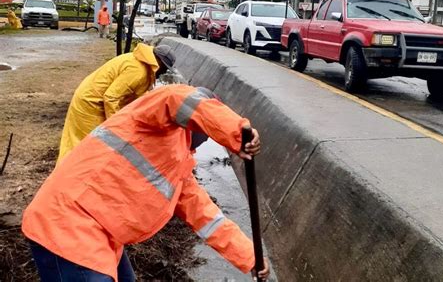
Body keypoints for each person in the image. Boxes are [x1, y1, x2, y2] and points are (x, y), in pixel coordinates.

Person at [22, 84, 270, 282]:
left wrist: (251, 258)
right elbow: (175, 96)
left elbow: (209, 219)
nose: (204, 140)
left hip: (102, 233)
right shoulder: (150, 119)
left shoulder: (180, 168)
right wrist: (235, 131)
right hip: (66, 225)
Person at [57, 43, 175, 162]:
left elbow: (134, 93)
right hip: (90, 104)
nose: (163, 73)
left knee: (89, 146)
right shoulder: (137, 71)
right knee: (89, 146)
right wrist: (116, 124)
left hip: (94, 101)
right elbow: (111, 97)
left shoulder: (140, 62)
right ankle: (72, 177)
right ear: (158, 61)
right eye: (164, 68)